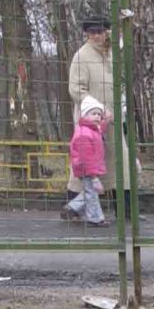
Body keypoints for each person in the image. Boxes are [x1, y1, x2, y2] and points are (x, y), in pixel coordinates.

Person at [67, 13, 114, 213]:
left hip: (112, 118)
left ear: (106, 32)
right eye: (92, 32)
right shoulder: (82, 56)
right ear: (87, 34)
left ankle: (126, 210)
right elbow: (76, 89)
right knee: (86, 166)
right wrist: (98, 110)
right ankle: (74, 207)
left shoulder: (111, 54)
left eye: (100, 31)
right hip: (91, 122)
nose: (97, 36)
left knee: (118, 162)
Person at [64, 96, 109, 226]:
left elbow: (102, 126)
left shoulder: (93, 130)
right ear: (85, 115)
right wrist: (94, 177)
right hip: (86, 169)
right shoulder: (84, 133)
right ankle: (95, 219)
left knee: (90, 191)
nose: (97, 117)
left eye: (99, 115)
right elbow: (86, 158)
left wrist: (106, 116)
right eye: (93, 114)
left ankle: (72, 207)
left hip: (89, 168)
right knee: (91, 192)